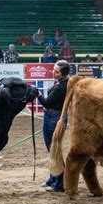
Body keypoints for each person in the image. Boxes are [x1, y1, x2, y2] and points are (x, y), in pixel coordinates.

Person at [37, 60, 70, 193]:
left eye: (56, 71)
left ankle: (60, 183)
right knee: (52, 151)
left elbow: (46, 103)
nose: (53, 73)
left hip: (54, 118)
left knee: (54, 151)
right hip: (54, 117)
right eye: (53, 70)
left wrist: (37, 94)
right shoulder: (63, 83)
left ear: (63, 74)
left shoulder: (62, 87)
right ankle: (53, 178)